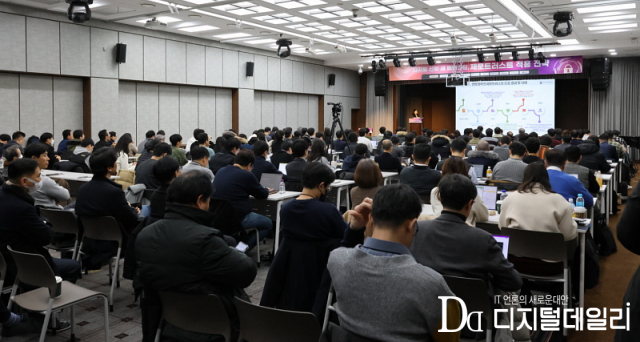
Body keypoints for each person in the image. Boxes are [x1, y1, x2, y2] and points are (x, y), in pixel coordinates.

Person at [327, 184, 458, 342]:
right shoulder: (432, 284)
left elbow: (345, 251)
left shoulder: (338, 260)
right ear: (411, 225)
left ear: (371, 220)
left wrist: (355, 230)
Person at [136, 171, 257, 342]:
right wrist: (232, 251)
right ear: (200, 201)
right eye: (209, 201)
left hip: (168, 321)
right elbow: (247, 273)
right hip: (212, 324)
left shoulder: (145, 234)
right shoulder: (206, 239)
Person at [260, 163, 349, 311]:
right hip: (320, 273)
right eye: (327, 187)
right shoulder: (328, 210)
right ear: (322, 185)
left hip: (290, 273)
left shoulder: (286, 209)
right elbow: (344, 237)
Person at [413, 173, 521, 291]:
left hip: (428, 302)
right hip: (473, 306)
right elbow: (514, 282)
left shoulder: (417, 230)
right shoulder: (483, 239)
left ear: (439, 197)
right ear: (470, 204)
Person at [0, 159, 81, 286]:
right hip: (27, 263)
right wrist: (44, 222)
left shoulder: (4, 195)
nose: (40, 180)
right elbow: (46, 237)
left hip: (6, 258)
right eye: (38, 176)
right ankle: (50, 298)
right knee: (73, 266)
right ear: (24, 181)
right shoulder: (22, 208)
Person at [75, 147, 141, 270]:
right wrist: (132, 209)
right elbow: (130, 218)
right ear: (110, 168)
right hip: (114, 241)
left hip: (89, 239)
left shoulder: (82, 189)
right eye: (115, 161)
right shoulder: (114, 192)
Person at [499, 162, 577, 241]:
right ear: (546, 178)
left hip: (515, 250)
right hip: (549, 251)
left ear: (524, 177)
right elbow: (568, 235)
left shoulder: (510, 198)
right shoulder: (559, 200)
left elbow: (502, 227)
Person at [212, 150, 272, 251]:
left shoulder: (221, 170)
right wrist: (266, 189)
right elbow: (262, 195)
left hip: (218, 216)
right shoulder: (246, 175)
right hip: (239, 217)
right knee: (268, 223)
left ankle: (237, 247)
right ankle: (242, 250)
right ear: (249, 165)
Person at [430, 158, 489, 226]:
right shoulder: (470, 192)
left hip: (439, 230)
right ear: (465, 171)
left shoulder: (435, 192)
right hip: (465, 232)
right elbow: (483, 217)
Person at [23, 143, 70, 209]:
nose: (48, 158)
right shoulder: (42, 180)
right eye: (45, 155)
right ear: (34, 158)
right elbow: (66, 196)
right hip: (54, 214)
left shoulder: (18, 177)